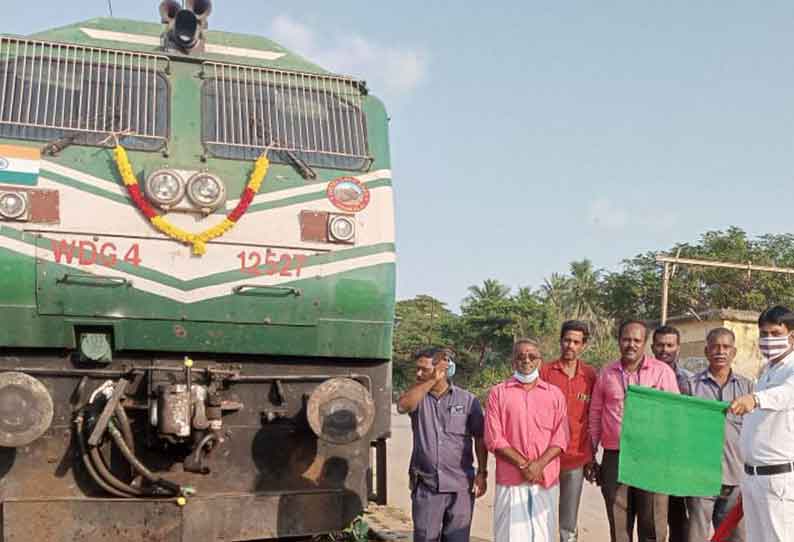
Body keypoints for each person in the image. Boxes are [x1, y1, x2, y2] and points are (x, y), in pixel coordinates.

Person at [589, 320, 680, 542]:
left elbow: (674, 415)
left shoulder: (662, 372)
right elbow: (595, 415)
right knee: (619, 522)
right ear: (619, 341)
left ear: (645, 343)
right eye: (626, 339)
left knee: (653, 523)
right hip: (615, 456)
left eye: (637, 340)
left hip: (652, 457)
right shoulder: (607, 373)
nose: (631, 344)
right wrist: (590, 455)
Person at [397, 347, 488, 542]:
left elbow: (480, 438)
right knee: (425, 537)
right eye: (417, 369)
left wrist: (482, 473)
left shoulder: (467, 400)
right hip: (427, 485)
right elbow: (402, 406)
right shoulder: (418, 398)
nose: (418, 374)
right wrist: (431, 380)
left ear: (443, 369)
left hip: (460, 487)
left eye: (424, 369)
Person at [484, 338, 569, 542]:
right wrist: (524, 465)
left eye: (532, 356)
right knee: (509, 535)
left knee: (543, 534)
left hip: (544, 478)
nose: (527, 361)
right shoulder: (498, 393)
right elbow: (494, 438)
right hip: (511, 478)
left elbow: (561, 437)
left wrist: (539, 465)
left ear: (540, 361)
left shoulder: (554, 395)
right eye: (521, 356)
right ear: (513, 361)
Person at [729, 306, 794, 542]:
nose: (768, 340)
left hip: (778, 479)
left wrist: (755, 399)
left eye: (775, 334)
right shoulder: (767, 370)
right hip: (752, 477)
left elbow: (786, 394)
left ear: (792, 336)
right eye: (764, 334)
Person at [684, 327, 752, 542]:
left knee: (735, 536)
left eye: (725, 347)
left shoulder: (748, 388)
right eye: (715, 347)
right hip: (700, 476)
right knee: (696, 535)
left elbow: (755, 433)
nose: (720, 351)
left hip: (736, 476)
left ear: (734, 352)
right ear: (706, 351)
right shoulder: (690, 387)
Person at [540, 320, 598, 542]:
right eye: (567, 340)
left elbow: (593, 418)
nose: (570, 346)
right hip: (546, 458)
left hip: (576, 458)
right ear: (560, 341)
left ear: (583, 345)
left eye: (576, 342)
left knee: (568, 519)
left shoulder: (591, 376)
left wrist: (591, 457)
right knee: (541, 513)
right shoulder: (545, 372)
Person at [650, 324, 692, 542]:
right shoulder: (643, 379)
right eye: (660, 345)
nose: (664, 349)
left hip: (678, 460)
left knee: (679, 518)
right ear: (652, 347)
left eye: (669, 345)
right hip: (650, 458)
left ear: (678, 348)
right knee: (652, 521)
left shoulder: (689, 380)